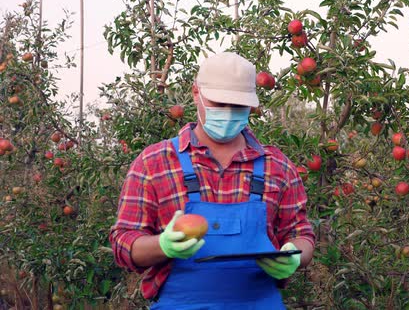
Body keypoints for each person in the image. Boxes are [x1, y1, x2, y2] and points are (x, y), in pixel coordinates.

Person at [109, 52, 315, 309]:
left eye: (238, 106)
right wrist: (162, 245)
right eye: (219, 103)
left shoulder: (277, 166)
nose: (228, 113)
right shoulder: (155, 162)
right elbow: (123, 242)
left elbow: (301, 234)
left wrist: (293, 255)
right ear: (196, 93)